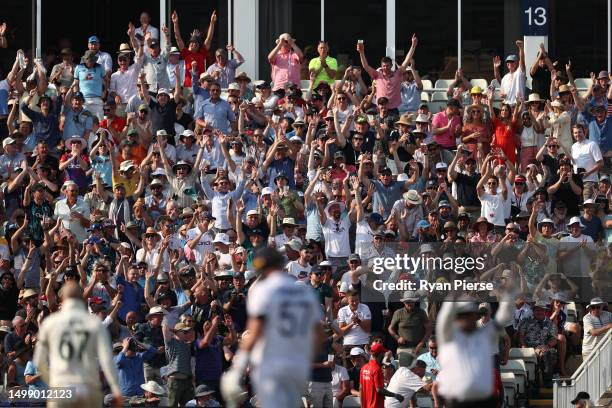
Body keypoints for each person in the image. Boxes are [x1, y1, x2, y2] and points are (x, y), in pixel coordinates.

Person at [220, 247, 322, 408]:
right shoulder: (305, 292)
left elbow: (254, 333)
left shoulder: (263, 290)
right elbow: (318, 336)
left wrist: (237, 370)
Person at [33, 282, 122, 407]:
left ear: (63, 299)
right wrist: (116, 389)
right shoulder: (94, 323)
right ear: (81, 299)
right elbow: (107, 361)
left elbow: (39, 362)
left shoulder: (50, 323)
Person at [436, 297, 513, 407]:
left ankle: (501, 404)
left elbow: (503, 317)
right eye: (462, 315)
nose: (466, 318)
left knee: (496, 382)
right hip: (458, 398)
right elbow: (443, 320)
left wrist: (509, 295)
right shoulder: (450, 334)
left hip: (483, 395)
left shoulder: (488, 328)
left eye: (469, 315)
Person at [360, 342, 405, 408]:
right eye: (384, 354)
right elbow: (379, 390)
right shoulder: (377, 369)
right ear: (380, 354)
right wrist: (395, 395)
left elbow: (361, 388)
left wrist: (362, 406)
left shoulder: (364, 368)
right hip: (376, 405)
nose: (384, 355)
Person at [493, 40, 526, 106]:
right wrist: (496, 68)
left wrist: (521, 48)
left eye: (512, 61)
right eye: (508, 62)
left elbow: (522, 61)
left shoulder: (519, 72)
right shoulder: (505, 77)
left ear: (517, 63)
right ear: (507, 64)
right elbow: (498, 79)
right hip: (507, 108)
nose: (510, 63)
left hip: (518, 105)